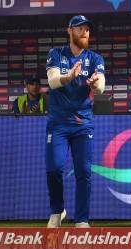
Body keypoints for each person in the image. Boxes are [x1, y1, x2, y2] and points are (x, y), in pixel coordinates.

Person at [45, 15, 105, 229]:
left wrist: (95, 84)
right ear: (69, 30)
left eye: (87, 29)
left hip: (83, 124)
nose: (85, 32)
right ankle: (57, 210)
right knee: (54, 169)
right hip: (58, 124)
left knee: (83, 171)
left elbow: (102, 87)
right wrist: (68, 78)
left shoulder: (96, 59)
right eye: (80, 28)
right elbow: (52, 82)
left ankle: (81, 219)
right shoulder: (56, 54)